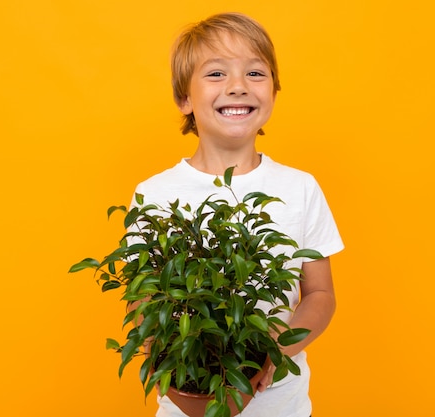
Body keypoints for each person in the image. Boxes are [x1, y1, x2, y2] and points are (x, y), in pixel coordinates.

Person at [130, 12, 344, 417]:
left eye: (255, 73)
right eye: (215, 74)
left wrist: (279, 345)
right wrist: (161, 353)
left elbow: (320, 294)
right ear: (184, 99)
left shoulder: (299, 188)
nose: (237, 86)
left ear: (274, 92)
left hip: (283, 406)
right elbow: (141, 299)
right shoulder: (155, 193)